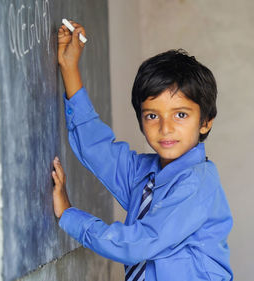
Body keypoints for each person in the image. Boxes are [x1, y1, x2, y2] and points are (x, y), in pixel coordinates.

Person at [51, 21, 233, 281]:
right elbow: (97, 149)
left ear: (205, 122)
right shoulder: (144, 175)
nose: (165, 128)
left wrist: (70, 216)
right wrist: (70, 69)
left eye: (180, 114)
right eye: (152, 116)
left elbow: (138, 244)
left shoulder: (197, 184)